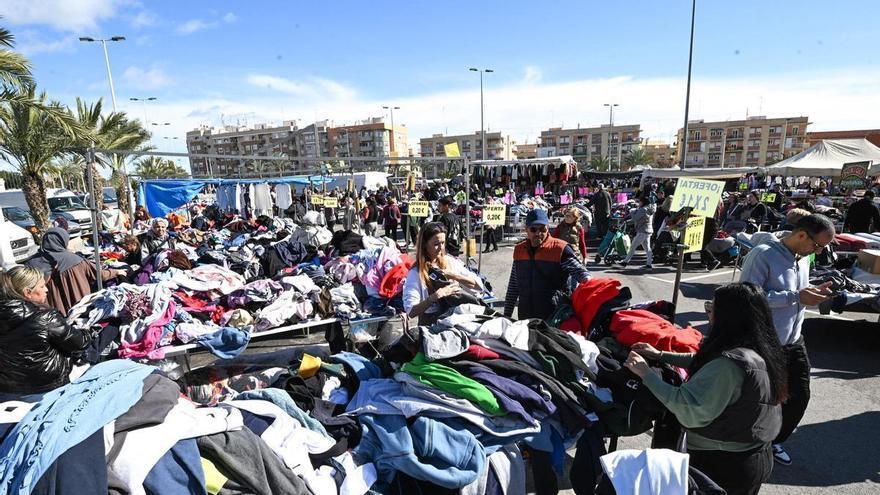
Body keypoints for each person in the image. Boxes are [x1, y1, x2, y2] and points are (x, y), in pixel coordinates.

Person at [625, 282, 787, 495]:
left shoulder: (727, 366)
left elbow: (687, 407)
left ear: (728, 316)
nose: (708, 314)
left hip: (724, 464)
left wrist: (645, 373)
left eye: (711, 308)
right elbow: (705, 360)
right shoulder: (756, 344)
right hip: (753, 452)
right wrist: (660, 355)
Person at [739, 214, 835, 466]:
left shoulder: (802, 258)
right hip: (764, 342)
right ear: (801, 235)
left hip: (794, 339)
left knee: (799, 396)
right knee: (761, 398)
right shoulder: (762, 255)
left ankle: (774, 441)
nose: (819, 252)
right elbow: (747, 297)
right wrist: (796, 297)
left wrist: (814, 291)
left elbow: (798, 290)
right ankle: (749, 444)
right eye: (818, 246)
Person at [0, 266, 91, 398]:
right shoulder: (46, 318)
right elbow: (80, 343)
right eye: (42, 286)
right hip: (48, 386)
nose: (46, 290)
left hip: (8, 389)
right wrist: (88, 331)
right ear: (27, 292)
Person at [503, 209, 590, 320]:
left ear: (547, 228)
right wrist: (506, 316)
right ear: (526, 230)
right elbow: (513, 286)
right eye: (533, 229)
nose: (538, 233)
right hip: (526, 317)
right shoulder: (519, 250)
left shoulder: (560, 249)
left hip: (554, 318)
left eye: (542, 229)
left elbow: (582, 274)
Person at [402, 222, 483, 326]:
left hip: (455, 322)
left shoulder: (450, 261)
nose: (441, 248)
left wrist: (455, 276)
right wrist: (436, 296)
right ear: (425, 245)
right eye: (436, 244)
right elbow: (411, 311)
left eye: (443, 243)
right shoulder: (415, 273)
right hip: (431, 327)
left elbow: (478, 286)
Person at [26, 227, 121, 315]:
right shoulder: (75, 259)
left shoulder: (32, 263)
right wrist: (116, 272)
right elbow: (99, 274)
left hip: (51, 313)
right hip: (79, 308)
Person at [619, 195, 656, 269]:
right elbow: (640, 219)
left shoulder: (643, 209)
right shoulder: (649, 209)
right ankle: (649, 264)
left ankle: (625, 262)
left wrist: (632, 211)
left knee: (633, 246)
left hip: (643, 231)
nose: (638, 203)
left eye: (639, 201)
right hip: (647, 230)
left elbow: (635, 218)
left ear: (643, 202)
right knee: (647, 248)